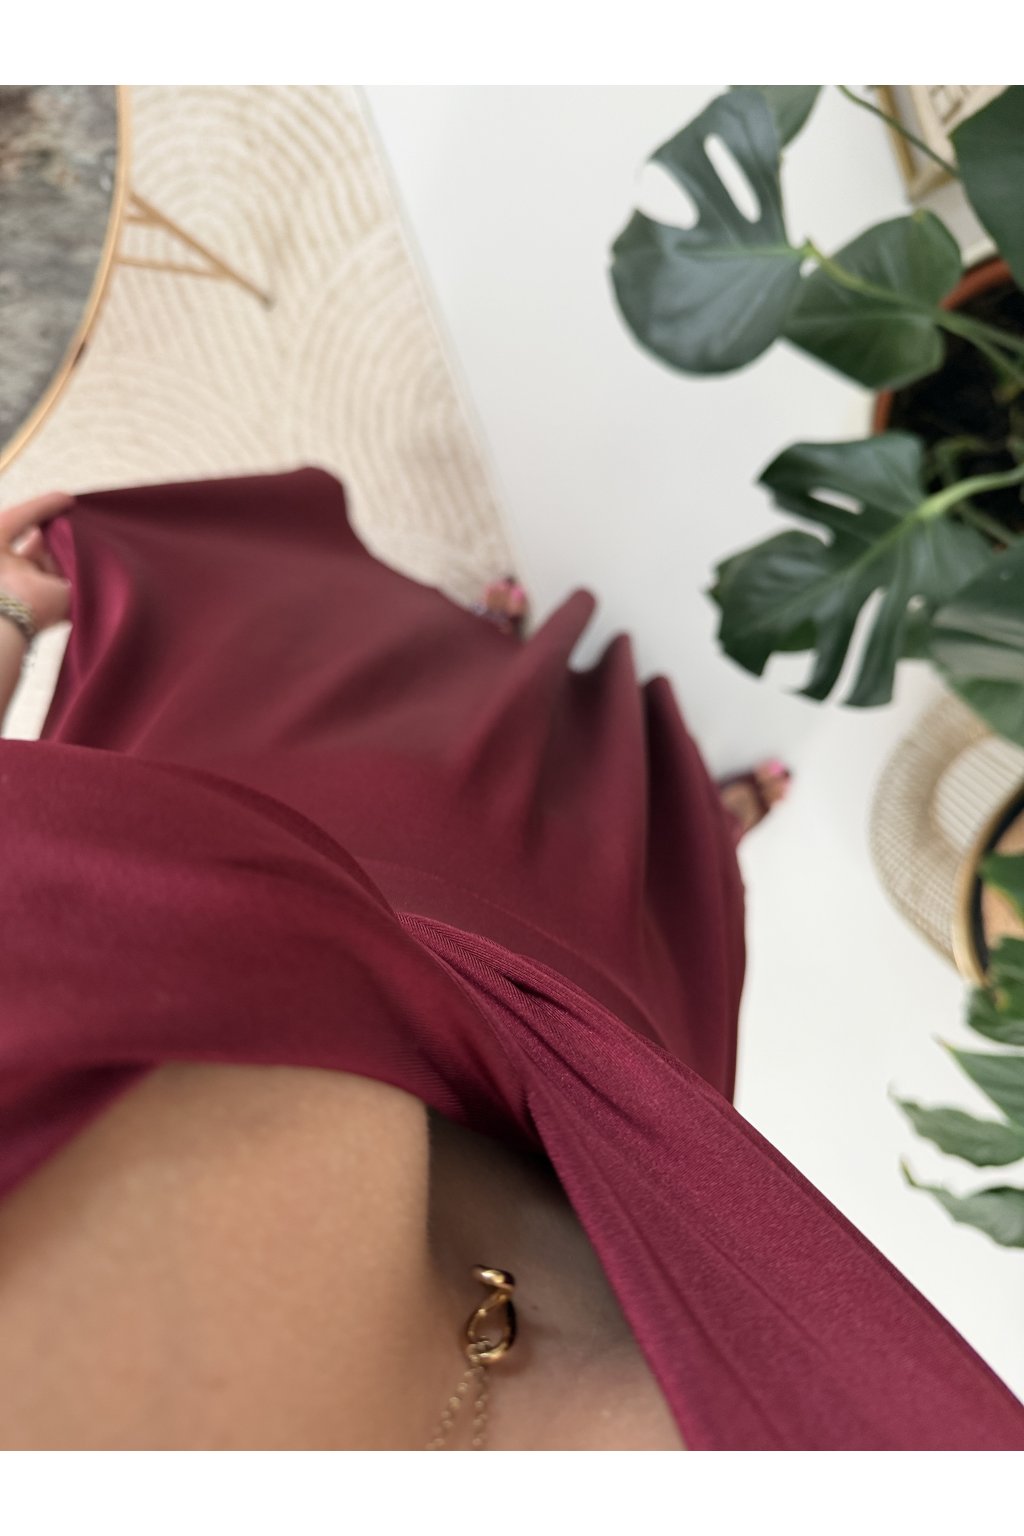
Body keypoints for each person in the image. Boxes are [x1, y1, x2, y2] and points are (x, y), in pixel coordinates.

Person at [0, 469, 1021, 1452]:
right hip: (626, 1136)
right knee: (635, 920)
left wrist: (8, 615)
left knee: (423, 722)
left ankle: (490, 664)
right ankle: (683, 842)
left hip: (305, 861)